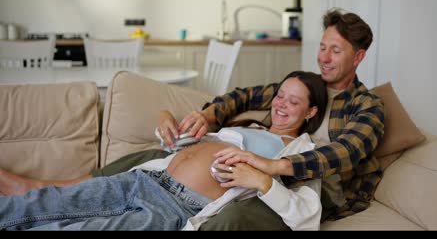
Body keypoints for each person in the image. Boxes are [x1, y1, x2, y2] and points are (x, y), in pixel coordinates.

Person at [0, 71, 328, 231]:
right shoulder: (247, 127)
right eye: (280, 95)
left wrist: (261, 180)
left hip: (176, 208)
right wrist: (166, 121)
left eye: (294, 101)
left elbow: (306, 215)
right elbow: (181, 146)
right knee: (41, 203)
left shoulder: (302, 154)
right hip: (145, 179)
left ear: (311, 112)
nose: (282, 105)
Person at [180, 7, 385, 229]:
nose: (323, 58)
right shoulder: (308, 87)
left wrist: (274, 166)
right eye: (322, 47)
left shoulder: (367, 105)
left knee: (229, 217)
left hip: (313, 189)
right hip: (273, 177)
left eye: (335, 50)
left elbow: (347, 152)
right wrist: (206, 115)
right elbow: (245, 96)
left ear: (358, 57)